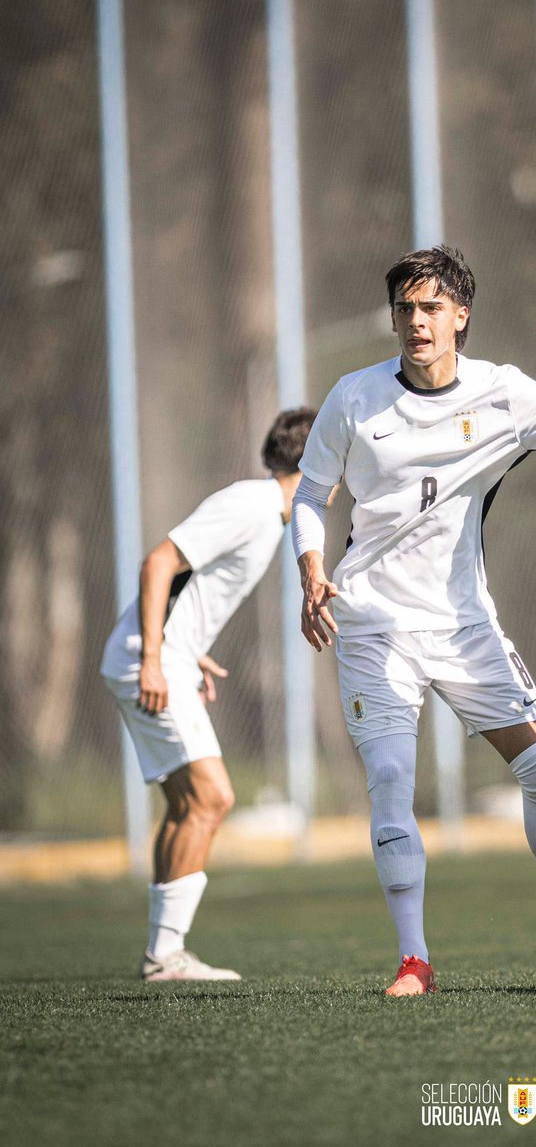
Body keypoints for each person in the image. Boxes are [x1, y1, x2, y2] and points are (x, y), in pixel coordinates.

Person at [292, 244, 536, 996]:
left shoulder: (503, 394)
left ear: (461, 315)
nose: (417, 321)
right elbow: (309, 496)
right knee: (393, 779)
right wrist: (311, 569)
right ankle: (414, 959)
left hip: (465, 628)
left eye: (431, 307)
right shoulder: (353, 397)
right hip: (371, 625)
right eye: (405, 309)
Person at [101, 408, 317, 982]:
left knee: (186, 805)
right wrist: (154, 656)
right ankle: (165, 955)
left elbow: (183, 583)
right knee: (213, 798)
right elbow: (159, 563)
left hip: (166, 655)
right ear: (317, 459)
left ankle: (161, 954)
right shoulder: (250, 504)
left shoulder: (270, 515)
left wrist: (185, 645)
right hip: (149, 661)